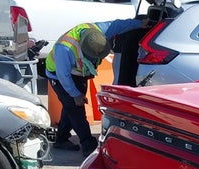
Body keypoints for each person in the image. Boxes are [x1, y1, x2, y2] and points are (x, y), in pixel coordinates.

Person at [45, 18, 144, 155]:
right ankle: (89, 146)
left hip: (79, 73)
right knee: (77, 110)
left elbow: (119, 25)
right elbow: (63, 76)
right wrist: (76, 94)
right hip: (58, 76)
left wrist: (141, 23)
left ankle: (61, 139)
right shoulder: (65, 48)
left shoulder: (100, 32)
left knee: (70, 108)